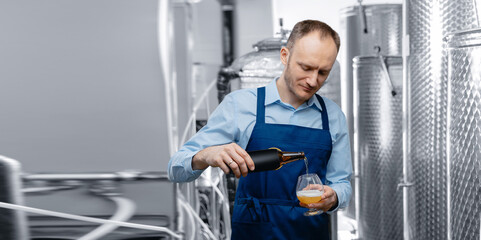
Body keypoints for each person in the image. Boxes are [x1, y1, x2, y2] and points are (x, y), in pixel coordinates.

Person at [168, 19, 352, 240]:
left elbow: (342, 183)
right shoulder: (240, 105)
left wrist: (335, 197)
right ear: (285, 56)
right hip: (255, 232)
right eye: (306, 68)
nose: (313, 80)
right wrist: (207, 155)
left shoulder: (332, 116)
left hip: (311, 232)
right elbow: (175, 168)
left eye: (323, 72)